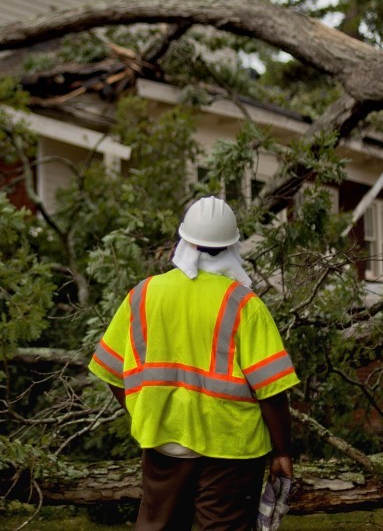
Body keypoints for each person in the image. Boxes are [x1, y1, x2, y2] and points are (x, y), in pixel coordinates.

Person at [89, 196, 298, 531]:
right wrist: (282, 451)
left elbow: (111, 372)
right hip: (232, 450)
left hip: (163, 443)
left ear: (183, 241)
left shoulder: (143, 294)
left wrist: (147, 412)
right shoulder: (244, 304)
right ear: (232, 248)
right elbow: (272, 390)